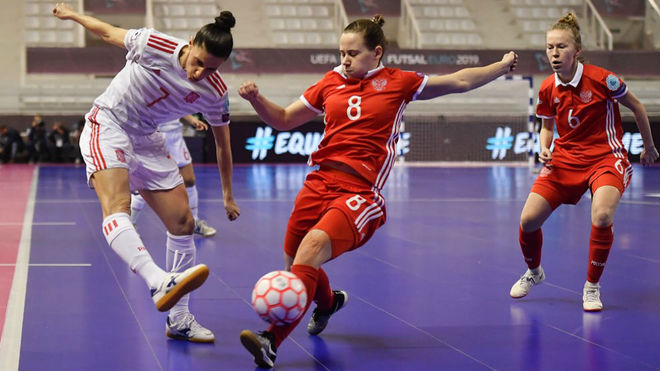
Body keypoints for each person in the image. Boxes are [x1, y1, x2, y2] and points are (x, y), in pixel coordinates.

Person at [237, 15, 518, 368]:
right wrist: (256, 99)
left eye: (352, 53)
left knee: (309, 251)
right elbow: (283, 119)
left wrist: (503, 66)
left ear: (377, 53)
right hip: (318, 182)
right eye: (341, 53)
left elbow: (459, 80)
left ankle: (270, 341)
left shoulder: (399, 82)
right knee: (295, 263)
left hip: (360, 192)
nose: (345, 60)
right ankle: (328, 302)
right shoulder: (330, 83)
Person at [52, 3, 241, 342]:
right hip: (109, 123)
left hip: (148, 138)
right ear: (191, 41)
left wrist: (228, 194)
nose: (199, 73)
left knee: (182, 222)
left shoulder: (215, 93)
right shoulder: (155, 44)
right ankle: (157, 280)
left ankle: (179, 320)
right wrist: (72, 15)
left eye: (210, 68)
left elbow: (223, 145)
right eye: (198, 62)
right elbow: (108, 32)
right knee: (117, 206)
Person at [509, 12, 658, 312]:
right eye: (550, 47)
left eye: (561, 47)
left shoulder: (603, 79)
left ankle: (591, 287)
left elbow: (638, 107)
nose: (554, 53)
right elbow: (547, 126)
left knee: (601, 216)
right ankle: (535, 272)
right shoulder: (547, 87)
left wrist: (649, 147)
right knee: (528, 221)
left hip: (606, 157)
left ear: (577, 50)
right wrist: (544, 148)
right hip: (565, 160)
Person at [130, 114, 217, 237]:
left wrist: (192, 120)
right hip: (155, 135)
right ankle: (131, 223)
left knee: (189, 180)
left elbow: (177, 104)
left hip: (175, 135)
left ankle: (194, 221)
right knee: (146, 183)